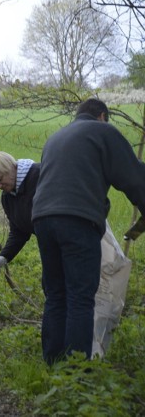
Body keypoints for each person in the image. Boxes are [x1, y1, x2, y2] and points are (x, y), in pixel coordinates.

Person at [32, 98, 145, 364]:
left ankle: (53, 363)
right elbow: (133, 178)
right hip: (77, 220)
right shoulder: (103, 131)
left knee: (56, 293)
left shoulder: (56, 137)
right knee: (81, 297)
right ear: (103, 116)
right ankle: (75, 374)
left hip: (42, 219)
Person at [0, 152, 39, 279]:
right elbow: (19, 231)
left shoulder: (40, 175)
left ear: (11, 167)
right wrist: (3, 257)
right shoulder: (8, 197)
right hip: (49, 246)